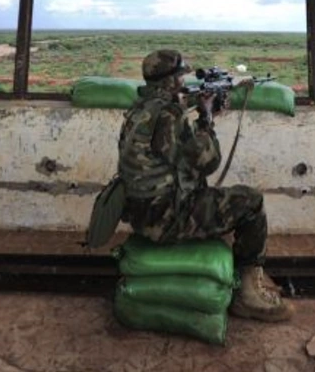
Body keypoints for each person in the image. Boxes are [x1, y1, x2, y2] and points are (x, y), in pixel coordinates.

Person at [117, 48, 293, 322]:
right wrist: (207, 118)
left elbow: (172, 156)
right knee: (251, 202)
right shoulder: (169, 114)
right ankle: (248, 296)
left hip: (142, 213)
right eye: (180, 78)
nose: (184, 82)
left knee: (213, 196)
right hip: (166, 219)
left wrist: (201, 111)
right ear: (171, 81)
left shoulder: (139, 109)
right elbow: (207, 161)